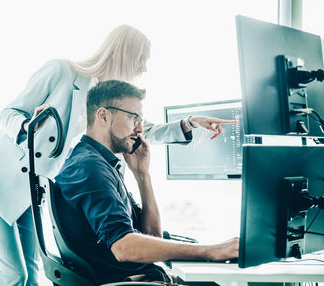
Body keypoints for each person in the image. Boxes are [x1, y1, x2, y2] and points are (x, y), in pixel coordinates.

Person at [0, 25, 235, 285]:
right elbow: (8, 113)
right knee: (10, 277)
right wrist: (28, 127)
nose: (143, 68)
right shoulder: (62, 71)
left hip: (28, 189)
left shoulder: (104, 98)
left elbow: (142, 129)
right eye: (141, 59)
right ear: (124, 53)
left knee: (31, 275)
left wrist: (189, 123)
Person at [55, 80, 239, 284]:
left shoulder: (99, 163)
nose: (140, 128)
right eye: (134, 118)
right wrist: (212, 251)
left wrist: (142, 175)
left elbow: (151, 234)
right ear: (103, 116)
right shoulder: (90, 168)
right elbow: (123, 247)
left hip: (138, 277)